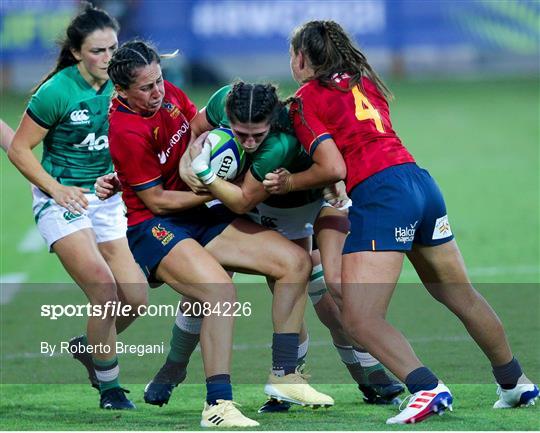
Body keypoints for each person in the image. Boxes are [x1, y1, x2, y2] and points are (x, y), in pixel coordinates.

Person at [262, 20, 539, 424]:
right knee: (460, 294)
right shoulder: (365, 82)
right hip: (419, 183)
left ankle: (426, 387)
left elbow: (333, 165)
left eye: (292, 55)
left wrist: (289, 182)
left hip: (381, 196)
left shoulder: (305, 99)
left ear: (301, 57)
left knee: (358, 317)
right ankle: (515, 382)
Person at [106, 39, 332, 427]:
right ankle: (217, 405)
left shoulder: (170, 96)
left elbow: (200, 133)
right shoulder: (125, 129)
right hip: (154, 225)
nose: (157, 91)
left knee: (295, 263)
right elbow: (157, 202)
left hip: (200, 211)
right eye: (145, 88)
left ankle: (284, 376)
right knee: (218, 291)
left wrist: (200, 160)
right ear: (122, 91)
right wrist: (210, 187)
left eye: (158, 81)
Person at [186, 81, 404, 412]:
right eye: (239, 133)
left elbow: (247, 198)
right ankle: (287, 385)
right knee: (293, 293)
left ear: (272, 122)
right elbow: (195, 128)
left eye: (255, 135)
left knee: (336, 292)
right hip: (276, 210)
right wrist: (188, 162)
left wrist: (206, 173)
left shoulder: (280, 140)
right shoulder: (223, 101)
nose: (247, 142)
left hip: (321, 201)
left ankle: (371, 375)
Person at [7, 2, 148, 410]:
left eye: (113, 49)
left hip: (106, 198)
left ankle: (90, 345)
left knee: (135, 298)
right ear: (75, 53)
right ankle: (111, 388)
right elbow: (19, 149)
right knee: (104, 290)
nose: (108, 59)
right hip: (62, 199)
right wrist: (55, 189)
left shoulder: (126, 84)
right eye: (97, 51)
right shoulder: (57, 91)